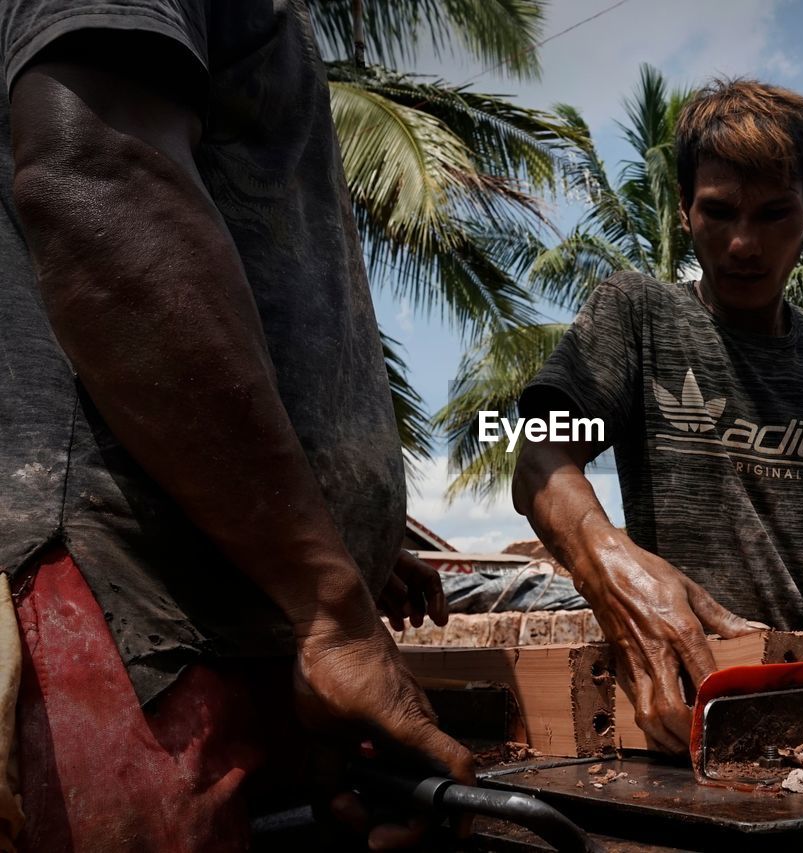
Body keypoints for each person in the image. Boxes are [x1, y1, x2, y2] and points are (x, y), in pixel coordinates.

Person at [0, 3, 470, 849]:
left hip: (234, 599)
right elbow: (100, 177)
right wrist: (329, 600)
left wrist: (346, 539)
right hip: (130, 593)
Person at [512, 78, 803, 754]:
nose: (744, 243)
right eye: (718, 211)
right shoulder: (639, 317)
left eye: (774, 213)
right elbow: (539, 454)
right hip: (681, 699)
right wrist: (611, 559)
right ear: (683, 208)